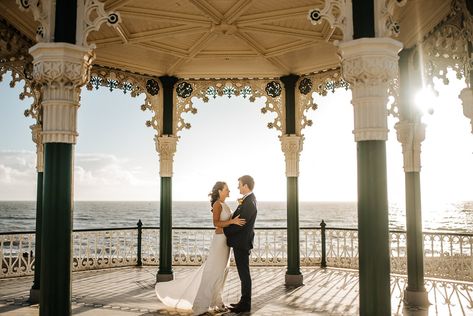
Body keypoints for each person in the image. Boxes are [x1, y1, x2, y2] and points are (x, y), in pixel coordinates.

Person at [155, 181, 245, 315]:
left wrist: (239, 207)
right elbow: (216, 223)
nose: (229, 191)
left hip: (226, 243)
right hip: (219, 242)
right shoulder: (217, 205)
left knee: (221, 273)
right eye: (227, 189)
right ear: (220, 191)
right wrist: (232, 221)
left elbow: (229, 220)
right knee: (212, 272)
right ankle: (201, 305)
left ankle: (217, 302)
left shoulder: (225, 204)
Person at [224, 175, 257, 313]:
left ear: (245, 185)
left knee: (244, 274)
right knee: (243, 274)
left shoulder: (249, 202)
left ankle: (245, 304)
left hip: (242, 243)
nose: (238, 187)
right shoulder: (248, 200)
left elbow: (240, 224)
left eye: (239, 184)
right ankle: (243, 302)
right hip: (242, 242)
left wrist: (224, 230)